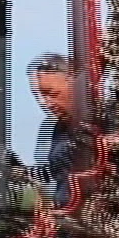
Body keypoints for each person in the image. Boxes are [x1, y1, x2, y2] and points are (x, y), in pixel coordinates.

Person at [28, 54, 83, 208]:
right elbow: (54, 173)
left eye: (52, 94)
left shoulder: (105, 122)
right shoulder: (59, 128)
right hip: (64, 216)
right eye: (41, 95)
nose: (46, 103)